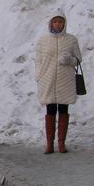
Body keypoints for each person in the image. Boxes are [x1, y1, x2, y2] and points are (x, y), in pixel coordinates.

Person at [35, 12, 82, 154]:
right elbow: (38, 60)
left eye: (60, 22)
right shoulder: (43, 40)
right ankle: (49, 144)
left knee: (63, 109)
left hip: (65, 80)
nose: (58, 24)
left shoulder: (71, 40)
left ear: (64, 24)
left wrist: (70, 60)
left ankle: (61, 143)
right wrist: (38, 75)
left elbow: (78, 59)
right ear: (50, 23)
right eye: (55, 21)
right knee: (50, 110)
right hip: (47, 79)